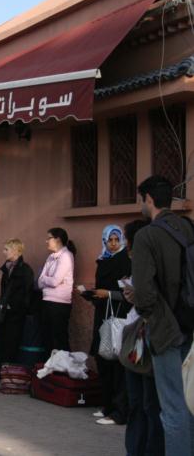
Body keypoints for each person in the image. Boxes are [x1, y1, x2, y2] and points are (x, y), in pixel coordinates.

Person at [131, 175, 194, 456]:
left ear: (149, 199)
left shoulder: (147, 235)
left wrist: (150, 316)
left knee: (172, 406)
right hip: (190, 324)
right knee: (187, 401)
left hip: (166, 328)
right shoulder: (189, 228)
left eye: (141, 199)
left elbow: (144, 292)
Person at [121, 219, 164, 456]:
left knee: (149, 405)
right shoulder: (139, 263)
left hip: (151, 337)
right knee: (138, 403)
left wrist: (137, 296)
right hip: (136, 338)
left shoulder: (157, 263)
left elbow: (151, 299)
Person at [86, 225, 131, 426]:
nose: (113, 243)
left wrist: (108, 294)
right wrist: (93, 295)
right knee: (103, 358)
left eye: (116, 239)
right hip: (103, 313)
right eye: (109, 240)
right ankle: (107, 406)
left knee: (116, 361)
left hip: (119, 317)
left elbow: (129, 292)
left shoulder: (125, 262)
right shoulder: (103, 260)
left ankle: (119, 411)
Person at [0, 239, 34, 386]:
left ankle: (5, 375)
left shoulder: (25, 270)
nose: (4, 252)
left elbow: (25, 294)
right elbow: (5, 292)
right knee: (0, 343)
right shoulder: (7, 269)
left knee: (10, 345)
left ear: (16, 251)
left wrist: (13, 306)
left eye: (7, 249)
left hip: (15, 314)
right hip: (4, 313)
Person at [38, 227, 76, 353]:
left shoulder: (66, 256)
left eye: (49, 238)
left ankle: (63, 369)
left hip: (60, 304)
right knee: (46, 338)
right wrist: (45, 279)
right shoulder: (50, 258)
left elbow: (55, 281)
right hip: (46, 301)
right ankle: (50, 368)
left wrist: (45, 279)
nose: (46, 241)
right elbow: (39, 282)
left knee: (59, 339)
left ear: (58, 239)